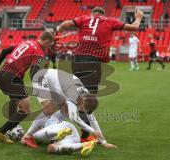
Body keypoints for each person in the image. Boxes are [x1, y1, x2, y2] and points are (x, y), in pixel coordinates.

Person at [55, 7, 144, 142]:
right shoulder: (110, 21)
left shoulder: (84, 18)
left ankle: (53, 124)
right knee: (89, 100)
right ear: (103, 14)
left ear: (93, 14)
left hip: (77, 61)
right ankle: (85, 136)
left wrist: (58, 31)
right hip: (92, 63)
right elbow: (134, 27)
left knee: (76, 96)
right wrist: (139, 17)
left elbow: (66, 24)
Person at [21, 69, 117, 149]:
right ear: (83, 101)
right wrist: (92, 131)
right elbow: (74, 118)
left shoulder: (86, 96)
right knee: (49, 109)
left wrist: (104, 142)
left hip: (57, 84)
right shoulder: (74, 95)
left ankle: (49, 129)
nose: (80, 110)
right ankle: (27, 137)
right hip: (41, 77)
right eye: (81, 108)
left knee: (65, 111)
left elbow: (92, 119)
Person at [0, 31, 54, 144]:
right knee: (26, 109)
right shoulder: (39, 52)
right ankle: (1, 132)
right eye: (50, 45)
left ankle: (10, 129)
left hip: (3, 75)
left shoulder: (26, 42)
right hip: (13, 78)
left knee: (16, 102)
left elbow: (5, 51)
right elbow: (34, 74)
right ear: (46, 41)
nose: (49, 48)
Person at [32, 110, 98, 156]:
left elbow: (35, 138)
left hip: (60, 127)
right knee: (51, 148)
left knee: (35, 137)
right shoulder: (52, 115)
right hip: (72, 133)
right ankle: (84, 145)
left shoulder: (44, 121)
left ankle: (56, 132)